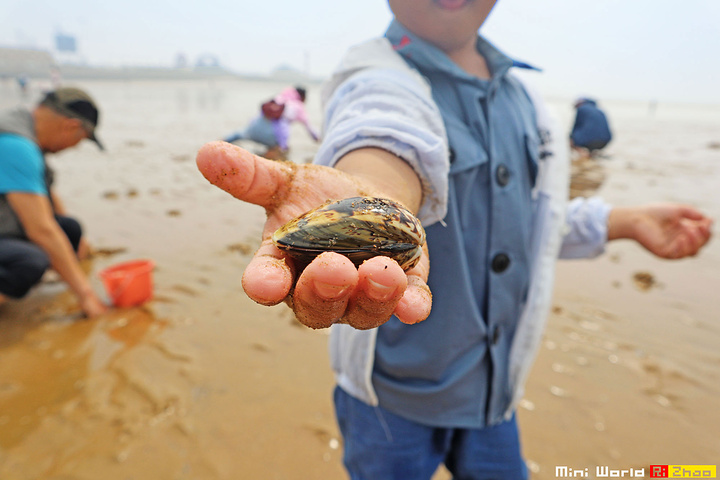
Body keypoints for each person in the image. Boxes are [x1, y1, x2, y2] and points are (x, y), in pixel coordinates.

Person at [196, 1, 713, 478]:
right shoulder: (374, 74)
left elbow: (531, 227)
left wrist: (623, 220)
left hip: (496, 395)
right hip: (389, 403)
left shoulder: (529, 102)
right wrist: (378, 190)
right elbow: (383, 131)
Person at [0, 87, 107, 317]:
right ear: (71, 126)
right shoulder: (16, 145)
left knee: (69, 228)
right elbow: (41, 230)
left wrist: (76, 243)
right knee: (29, 261)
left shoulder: (24, 124)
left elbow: (45, 194)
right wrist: (86, 295)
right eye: (80, 140)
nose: (74, 147)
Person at [223, 85, 320, 160]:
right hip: (272, 136)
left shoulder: (279, 97)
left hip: (253, 128)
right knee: (280, 154)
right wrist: (320, 139)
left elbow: (259, 114)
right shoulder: (299, 107)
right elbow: (312, 132)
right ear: (303, 97)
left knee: (238, 135)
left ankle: (218, 144)